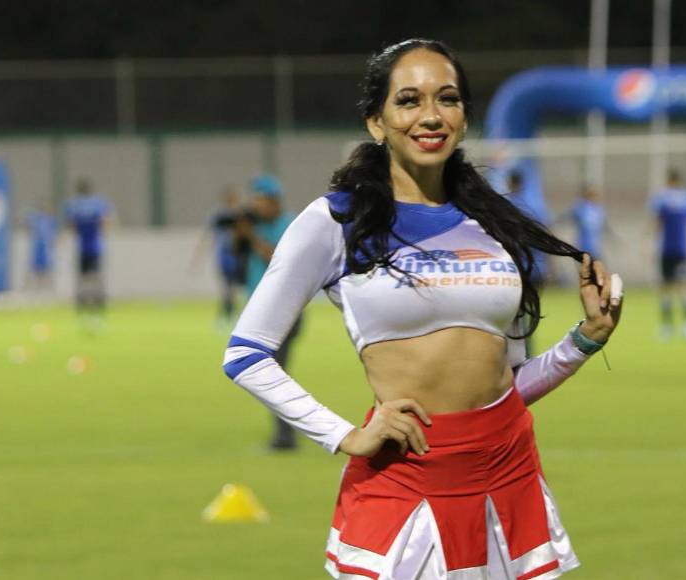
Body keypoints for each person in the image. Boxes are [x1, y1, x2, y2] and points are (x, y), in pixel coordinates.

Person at [222, 39, 623, 579]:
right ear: (376, 122)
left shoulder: (498, 224)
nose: (430, 115)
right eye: (409, 101)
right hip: (406, 478)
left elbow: (509, 385)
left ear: (463, 116)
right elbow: (247, 354)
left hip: (508, 475)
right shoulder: (337, 221)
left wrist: (585, 340)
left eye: (448, 99)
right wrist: (343, 435)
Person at [233, 174, 302, 450]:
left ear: (274, 201)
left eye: (260, 201)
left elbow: (278, 260)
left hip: (283, 311)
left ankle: (286, 438)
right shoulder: (257, 225)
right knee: (270, 374)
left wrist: (251, 236)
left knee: (273, 375)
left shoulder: (290, 225)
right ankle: (284, 435)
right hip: (261, 311)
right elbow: (238, 257)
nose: (256, 207)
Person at [649, 168, 686, 341]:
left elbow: (656, 223)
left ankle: (667, 326)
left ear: (668, 181)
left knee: (666, 288)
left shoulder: (661, 199)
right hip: (683, 249)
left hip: (667, 249)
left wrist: (648, 243)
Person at [191, 186, 247, 327]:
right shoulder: (220, 216)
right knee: (227, 288)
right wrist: (198, 256)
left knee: (233, 288)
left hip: (237, 255)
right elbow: (207, 236)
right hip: (224, 255)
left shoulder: (241, 215)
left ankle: (229, 316)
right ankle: (226, 317)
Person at [63, 178, 114, 329]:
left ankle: (83, 305)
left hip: (83, 247)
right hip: (96, 247)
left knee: (83, 278)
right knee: (96, 277)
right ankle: (98, 305)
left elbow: (70, 225)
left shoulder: (74, 205)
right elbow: (106, 222)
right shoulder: (99, 203)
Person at [22, 201, 58, 297]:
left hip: (45, 248)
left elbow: (52, 234)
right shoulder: (34, 219)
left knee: (47, 269)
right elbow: (25, 225)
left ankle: (49, 291)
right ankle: (32, 291)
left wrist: (52, 243)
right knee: (34, 269)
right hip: (36, 248)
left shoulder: (49, 220)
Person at [569, 184, 610, 264]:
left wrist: (614, 240)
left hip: (596, 248)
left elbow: (605, 227)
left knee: (600, 270)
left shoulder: (599, 210)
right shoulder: (580, 208)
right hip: (583, 248)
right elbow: (567, 218)